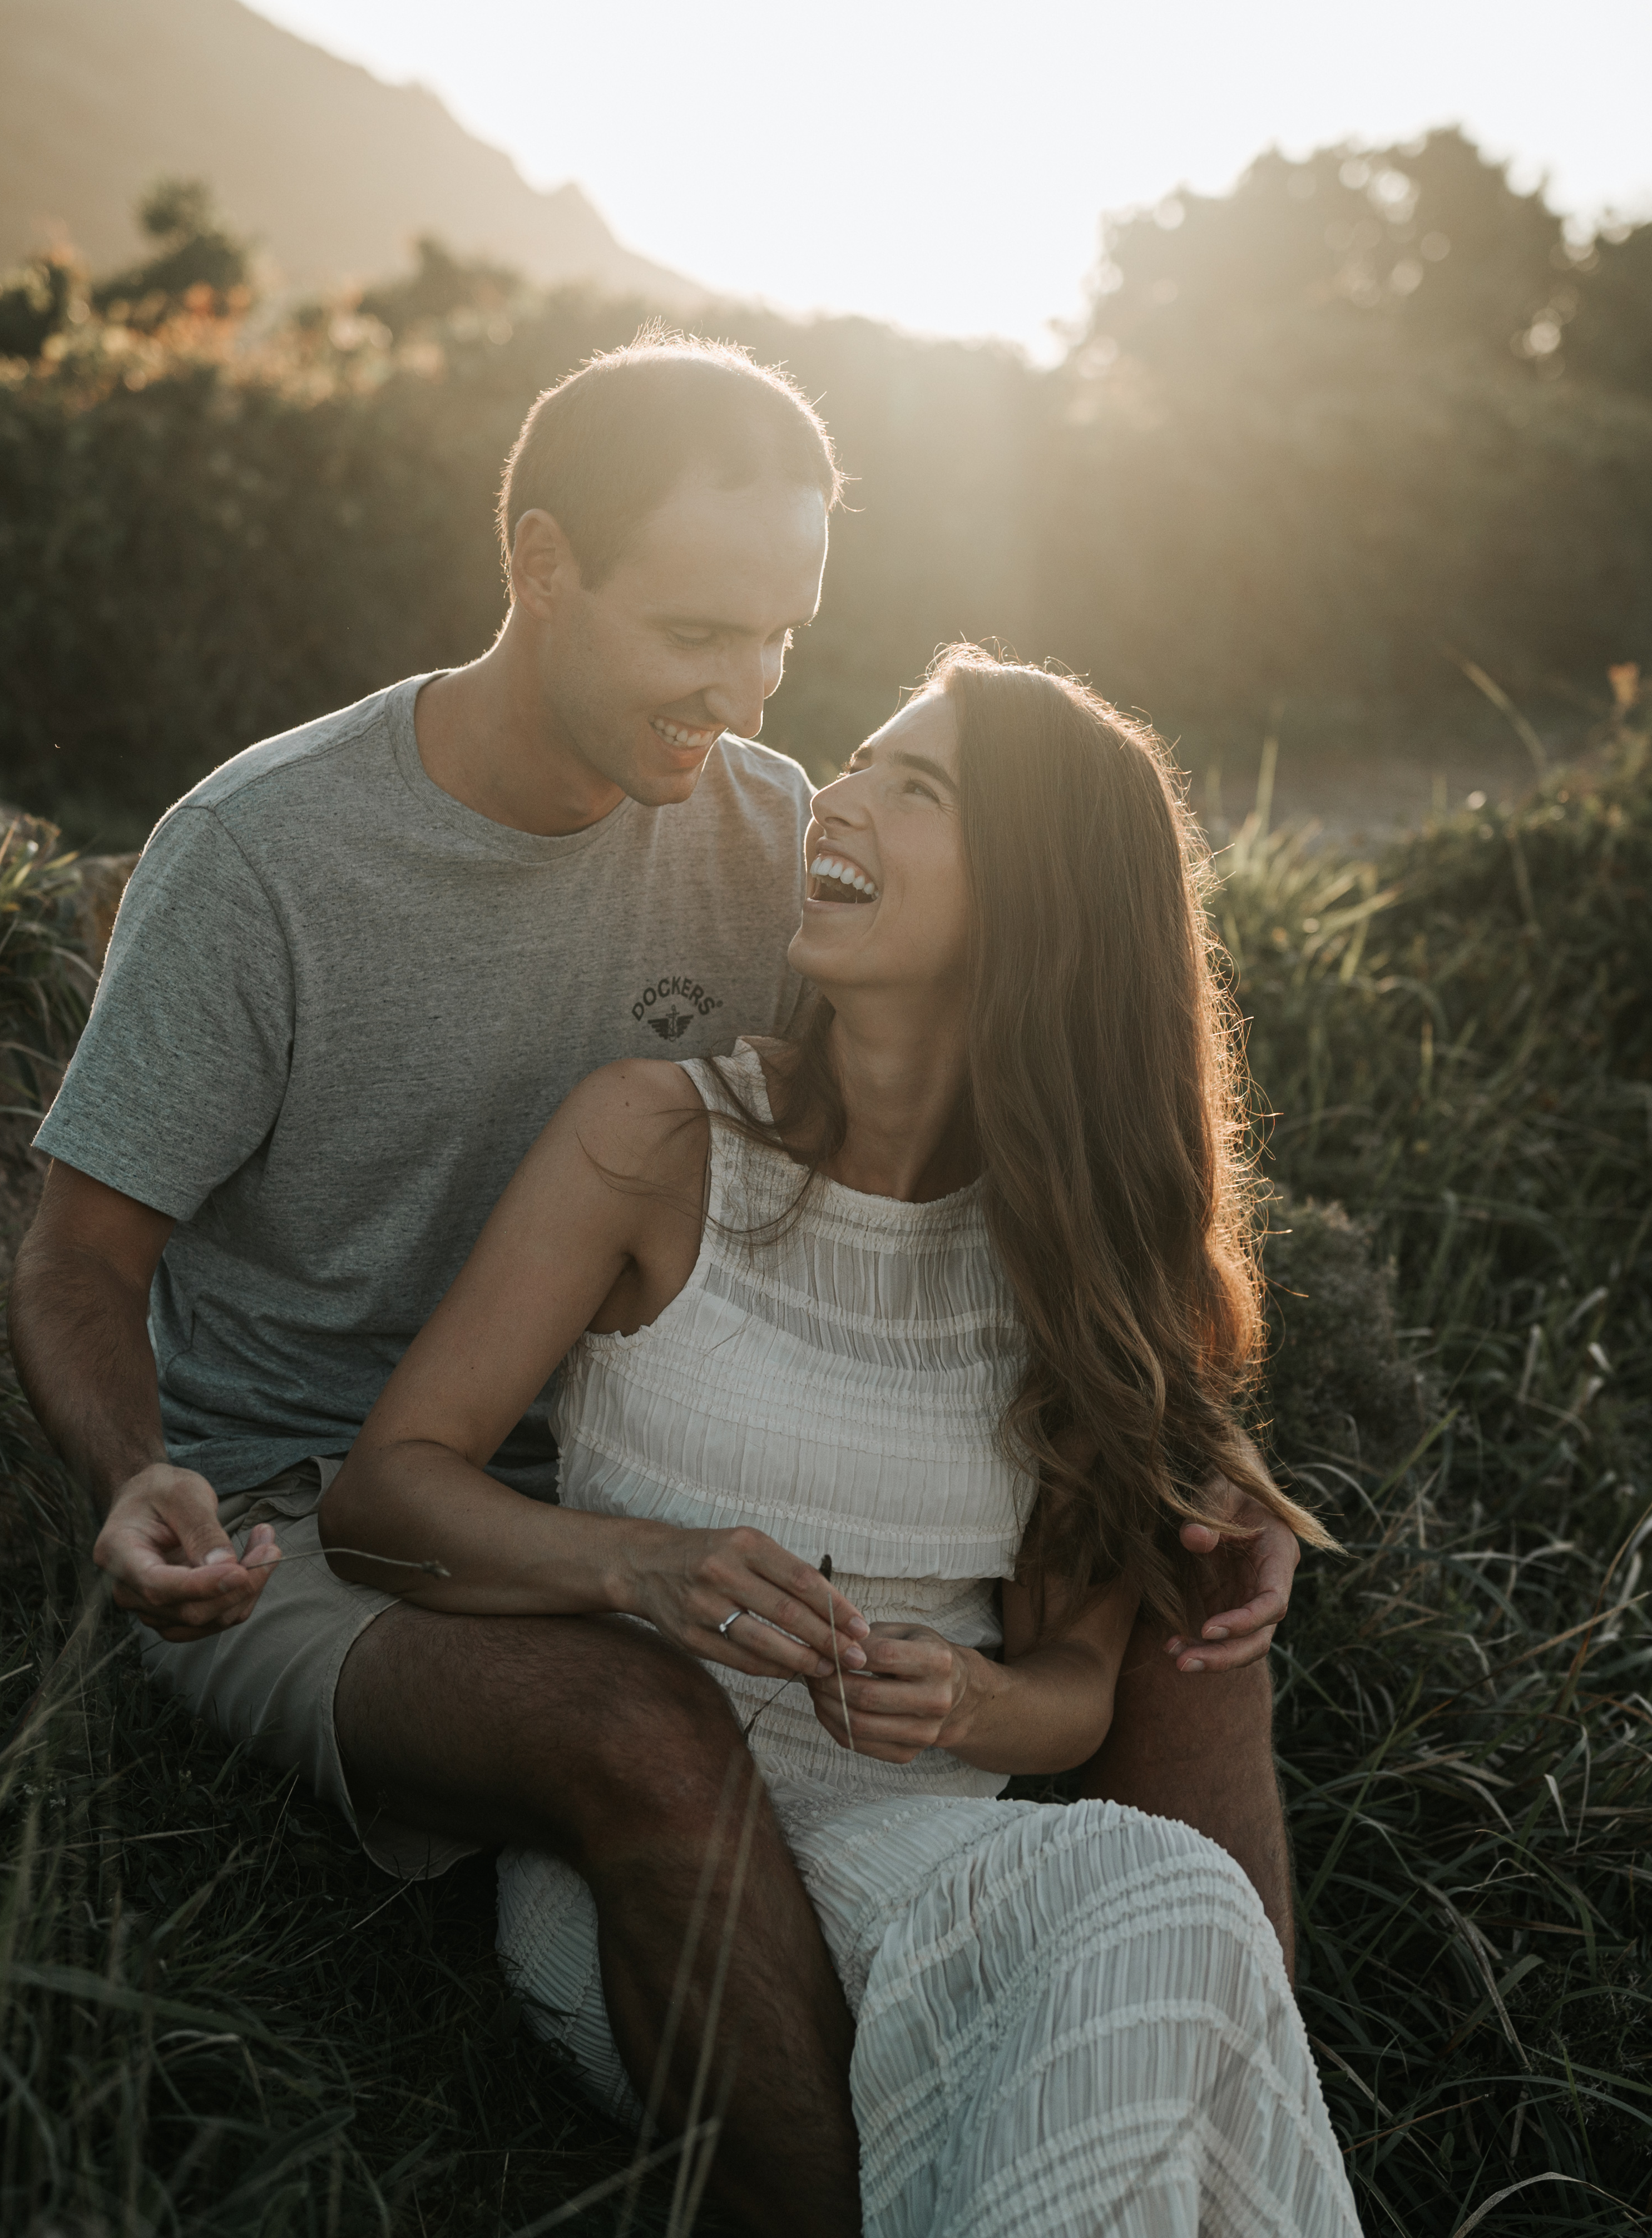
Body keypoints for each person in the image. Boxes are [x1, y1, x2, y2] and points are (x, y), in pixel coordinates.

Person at [8, 335, 1314, 2238]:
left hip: (640, 1451)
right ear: (543, 567)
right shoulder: (265, 856)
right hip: (309, 1523)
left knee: (1198, 1624)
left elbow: (1008, 1090)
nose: (746, 692)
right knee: (637, 1720)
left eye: (784, 637)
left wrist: (1201, 1462)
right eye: (699, 629)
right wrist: (137, 1475)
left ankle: (1222, 2148)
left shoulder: (779, 835)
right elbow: (75, 1254)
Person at [322, 646, 1359, 2235]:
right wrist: (638, 1571)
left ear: (1037, 902)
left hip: (929, 1876)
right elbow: (385, 1499)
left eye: (917, 788)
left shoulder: (1070, 1263)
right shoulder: (657, 1137)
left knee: (1162, 1918)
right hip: (646, 1889)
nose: (840, 799)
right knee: (1168, 1938)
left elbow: (1078, 1697)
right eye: (859, 761)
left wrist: (972, 1696)